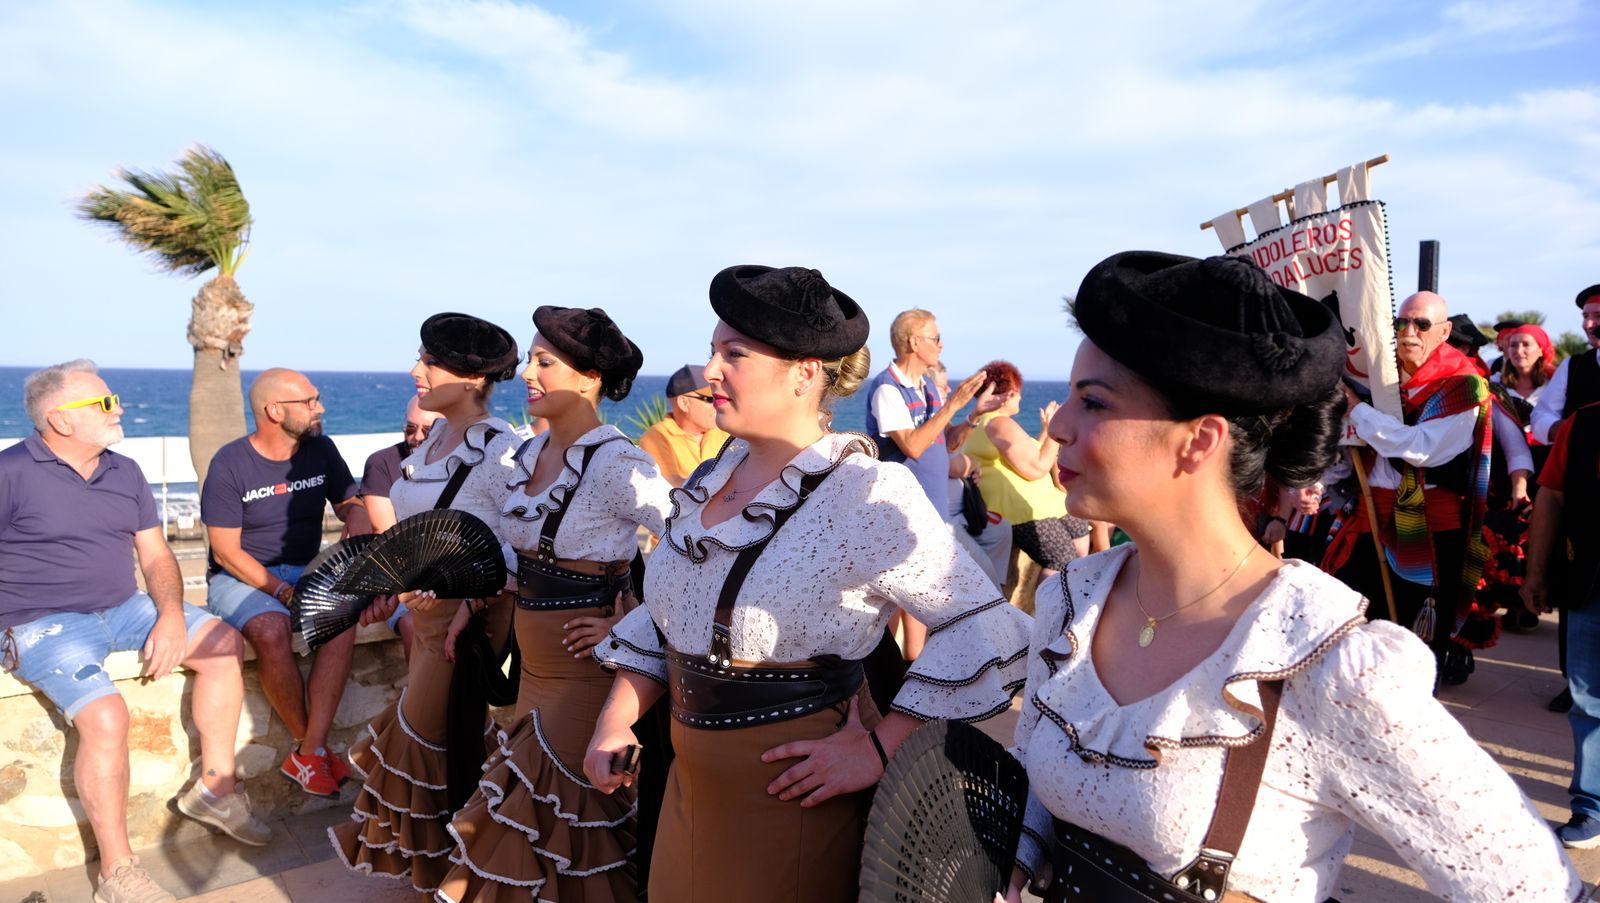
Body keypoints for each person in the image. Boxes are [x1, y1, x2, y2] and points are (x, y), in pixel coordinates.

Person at [1004, 251, 1579, 903]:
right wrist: (1019, 858)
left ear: (1199, 440)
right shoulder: (1072, 601)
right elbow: (1043, 775)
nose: (1060, 428)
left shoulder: (1323, 664)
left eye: (1092, 402)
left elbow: (1530, 884)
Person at [584, 265, 1032, 903]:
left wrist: (880, 748)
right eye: (713, 351)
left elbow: (983, 626)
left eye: (734, 354)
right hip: (684, 795)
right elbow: (669, 612)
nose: (710, 371)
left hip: (791, 799)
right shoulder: (711, 481)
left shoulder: (863, 491)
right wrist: (617, 719)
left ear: (804, 372)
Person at [3, 360, 268, 903]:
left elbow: (155, 554)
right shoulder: (10, 473)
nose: (119, 408)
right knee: (106, 715)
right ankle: (117, 873)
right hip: (41, 623)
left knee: (223, 643)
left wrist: (169, 615)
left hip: (125, 608)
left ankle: (215, 789)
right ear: (61, 419)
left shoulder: (124, 471)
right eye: (104, 403)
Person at [438, 306, 670, 903]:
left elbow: (694, 549)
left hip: (586, 674)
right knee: (539, 821)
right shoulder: (531, 455)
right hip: (533, 674)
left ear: (590, 378)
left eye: (545, 362)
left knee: (563, 818)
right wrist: (468, 599)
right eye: (531, 360)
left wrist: (631, 618)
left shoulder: (618, 463)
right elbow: (520, 555)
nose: (527, 373)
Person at [330, 313, 522, 894]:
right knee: (442, 739)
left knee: (425, 736)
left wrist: (470, 600)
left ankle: (464, 867)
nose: (417, 369)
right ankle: (452, 866)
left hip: (469, 619)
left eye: (430, 360)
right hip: (427, 612)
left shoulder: (502, 450)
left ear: (471, 378)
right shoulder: (436, 438)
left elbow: (520, 541)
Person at [1326, 290, 1532, 685]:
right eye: (1401, 322)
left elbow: (1421, 449)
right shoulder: (1376, 376)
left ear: (1444, 331)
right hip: (1368, 514)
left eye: (1421, 324)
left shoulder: (1462, 384)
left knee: (1414, 632)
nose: (1409, 332)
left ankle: (1408, 706)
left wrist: (1359, 410)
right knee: (1354, 626)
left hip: (1431, 527)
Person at [201, 368, 363, 797]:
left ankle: (309, 752)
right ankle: (310, 748)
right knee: (272, 629)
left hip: (305, 567)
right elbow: (226, 552)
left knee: (342, 620)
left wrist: (357, 515)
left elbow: (348, 499)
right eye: (309, 402)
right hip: (240, 577)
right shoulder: (229, 463)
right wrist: (280, 590)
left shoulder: (321, 449)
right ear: (274, 411)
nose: (319, 408)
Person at [1524, 399, 1600, 849]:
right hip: (1589, 582)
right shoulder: (1583, 422)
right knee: (1588, 698)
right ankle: (1592, 806)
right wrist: (1535, 573)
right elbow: (1551, 495)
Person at [962, 361, 1091, 581]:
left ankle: (1074, 592)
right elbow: (1037, 467)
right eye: (1018, 393)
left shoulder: (988, 423)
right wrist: (1054, 429)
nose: (1021, 397)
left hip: (1040, 503)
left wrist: (1046, 430)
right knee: (1061, 559)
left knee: (1079, 529)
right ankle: (1051, 603)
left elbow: (1031, 453)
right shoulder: (999, 423)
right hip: (1018, 510)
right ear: (1010, 393)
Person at [348, 396, 443, 657]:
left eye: (427, 430)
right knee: (415, 622)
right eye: (410, 428)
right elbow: (386, 537)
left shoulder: (463, 463)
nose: (417, 437)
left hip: (449, 572)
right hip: (402, 575)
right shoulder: (383, 463)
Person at [637, 363, 730, 486]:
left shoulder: (725, 431)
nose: (718, 404)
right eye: (710, 399)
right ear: (683, 403)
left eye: (719, 398)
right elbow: (670, 484)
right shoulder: (657, 437)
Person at [1530, 284, 1600, 444]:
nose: (1588, 324)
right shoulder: (1573, 366)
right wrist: (1565, 429)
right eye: (1585, 316)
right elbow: (1541, 415)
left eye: (1598, 316)